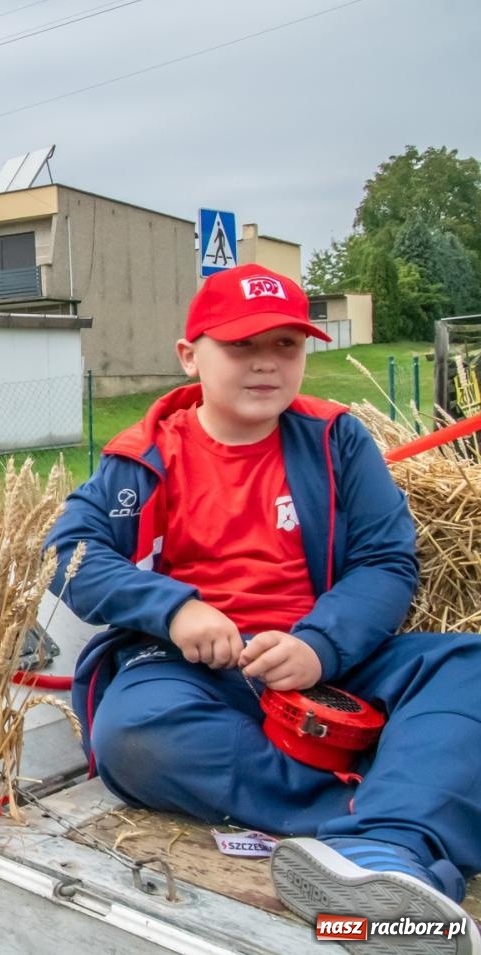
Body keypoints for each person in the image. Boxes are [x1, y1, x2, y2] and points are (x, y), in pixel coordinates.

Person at [47, 265, 481, 943]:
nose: (266, 364)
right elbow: (72, 554)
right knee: (130, 735)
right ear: (190, 355)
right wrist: (176, 610)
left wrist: (318, 645)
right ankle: (389, 820)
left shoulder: (337, 438)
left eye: (286, 345)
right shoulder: (144, 455)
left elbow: (387, 560)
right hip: (197, 672)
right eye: (241, 345)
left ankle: (384, 838)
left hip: (330, 666)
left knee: (467, 664)